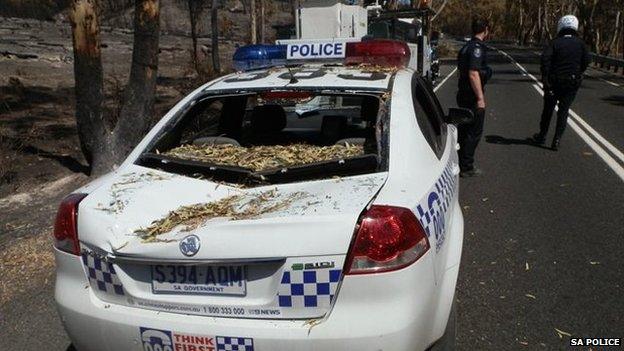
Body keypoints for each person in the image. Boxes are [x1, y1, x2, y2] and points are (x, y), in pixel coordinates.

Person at [532, 15, 590, 151]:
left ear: (561, 26)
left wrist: (545, 77)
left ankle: (542, 136)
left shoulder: (555, 42)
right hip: (571, 82)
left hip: (554, 82)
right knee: (564, 111)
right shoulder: (581, 44)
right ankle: (557, 139)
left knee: (548, 110)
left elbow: (545, 59)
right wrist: (578, 72)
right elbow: (586, 61)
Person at [456, 17, 492, 177]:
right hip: (471, 96)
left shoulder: (465, 47)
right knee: (474, 131)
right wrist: (480, 98)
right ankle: (467, 166)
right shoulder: (477, 48)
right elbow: (473, 73)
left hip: (462, 93)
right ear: (486, 30)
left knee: (463, 129)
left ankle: (459, 161)